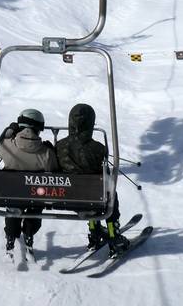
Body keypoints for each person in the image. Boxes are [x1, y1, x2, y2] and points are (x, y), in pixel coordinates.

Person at [55, 103, 129, 256]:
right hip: (93, 199)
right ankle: (113, 235)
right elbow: (105, 174)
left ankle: (94, 232)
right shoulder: (98, 148)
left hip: (66, 199)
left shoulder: (60, 146)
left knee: (93, 193)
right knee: (108, 194)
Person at [0, 108, 58, 254]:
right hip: (36, 195)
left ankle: (11, 237)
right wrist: (52, 150)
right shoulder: (46, 152)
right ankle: (29, 232)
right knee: (36, 204)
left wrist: (9, 133)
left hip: (11, 194)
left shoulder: (7, 145)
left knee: (13, 205)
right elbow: (54, 169)